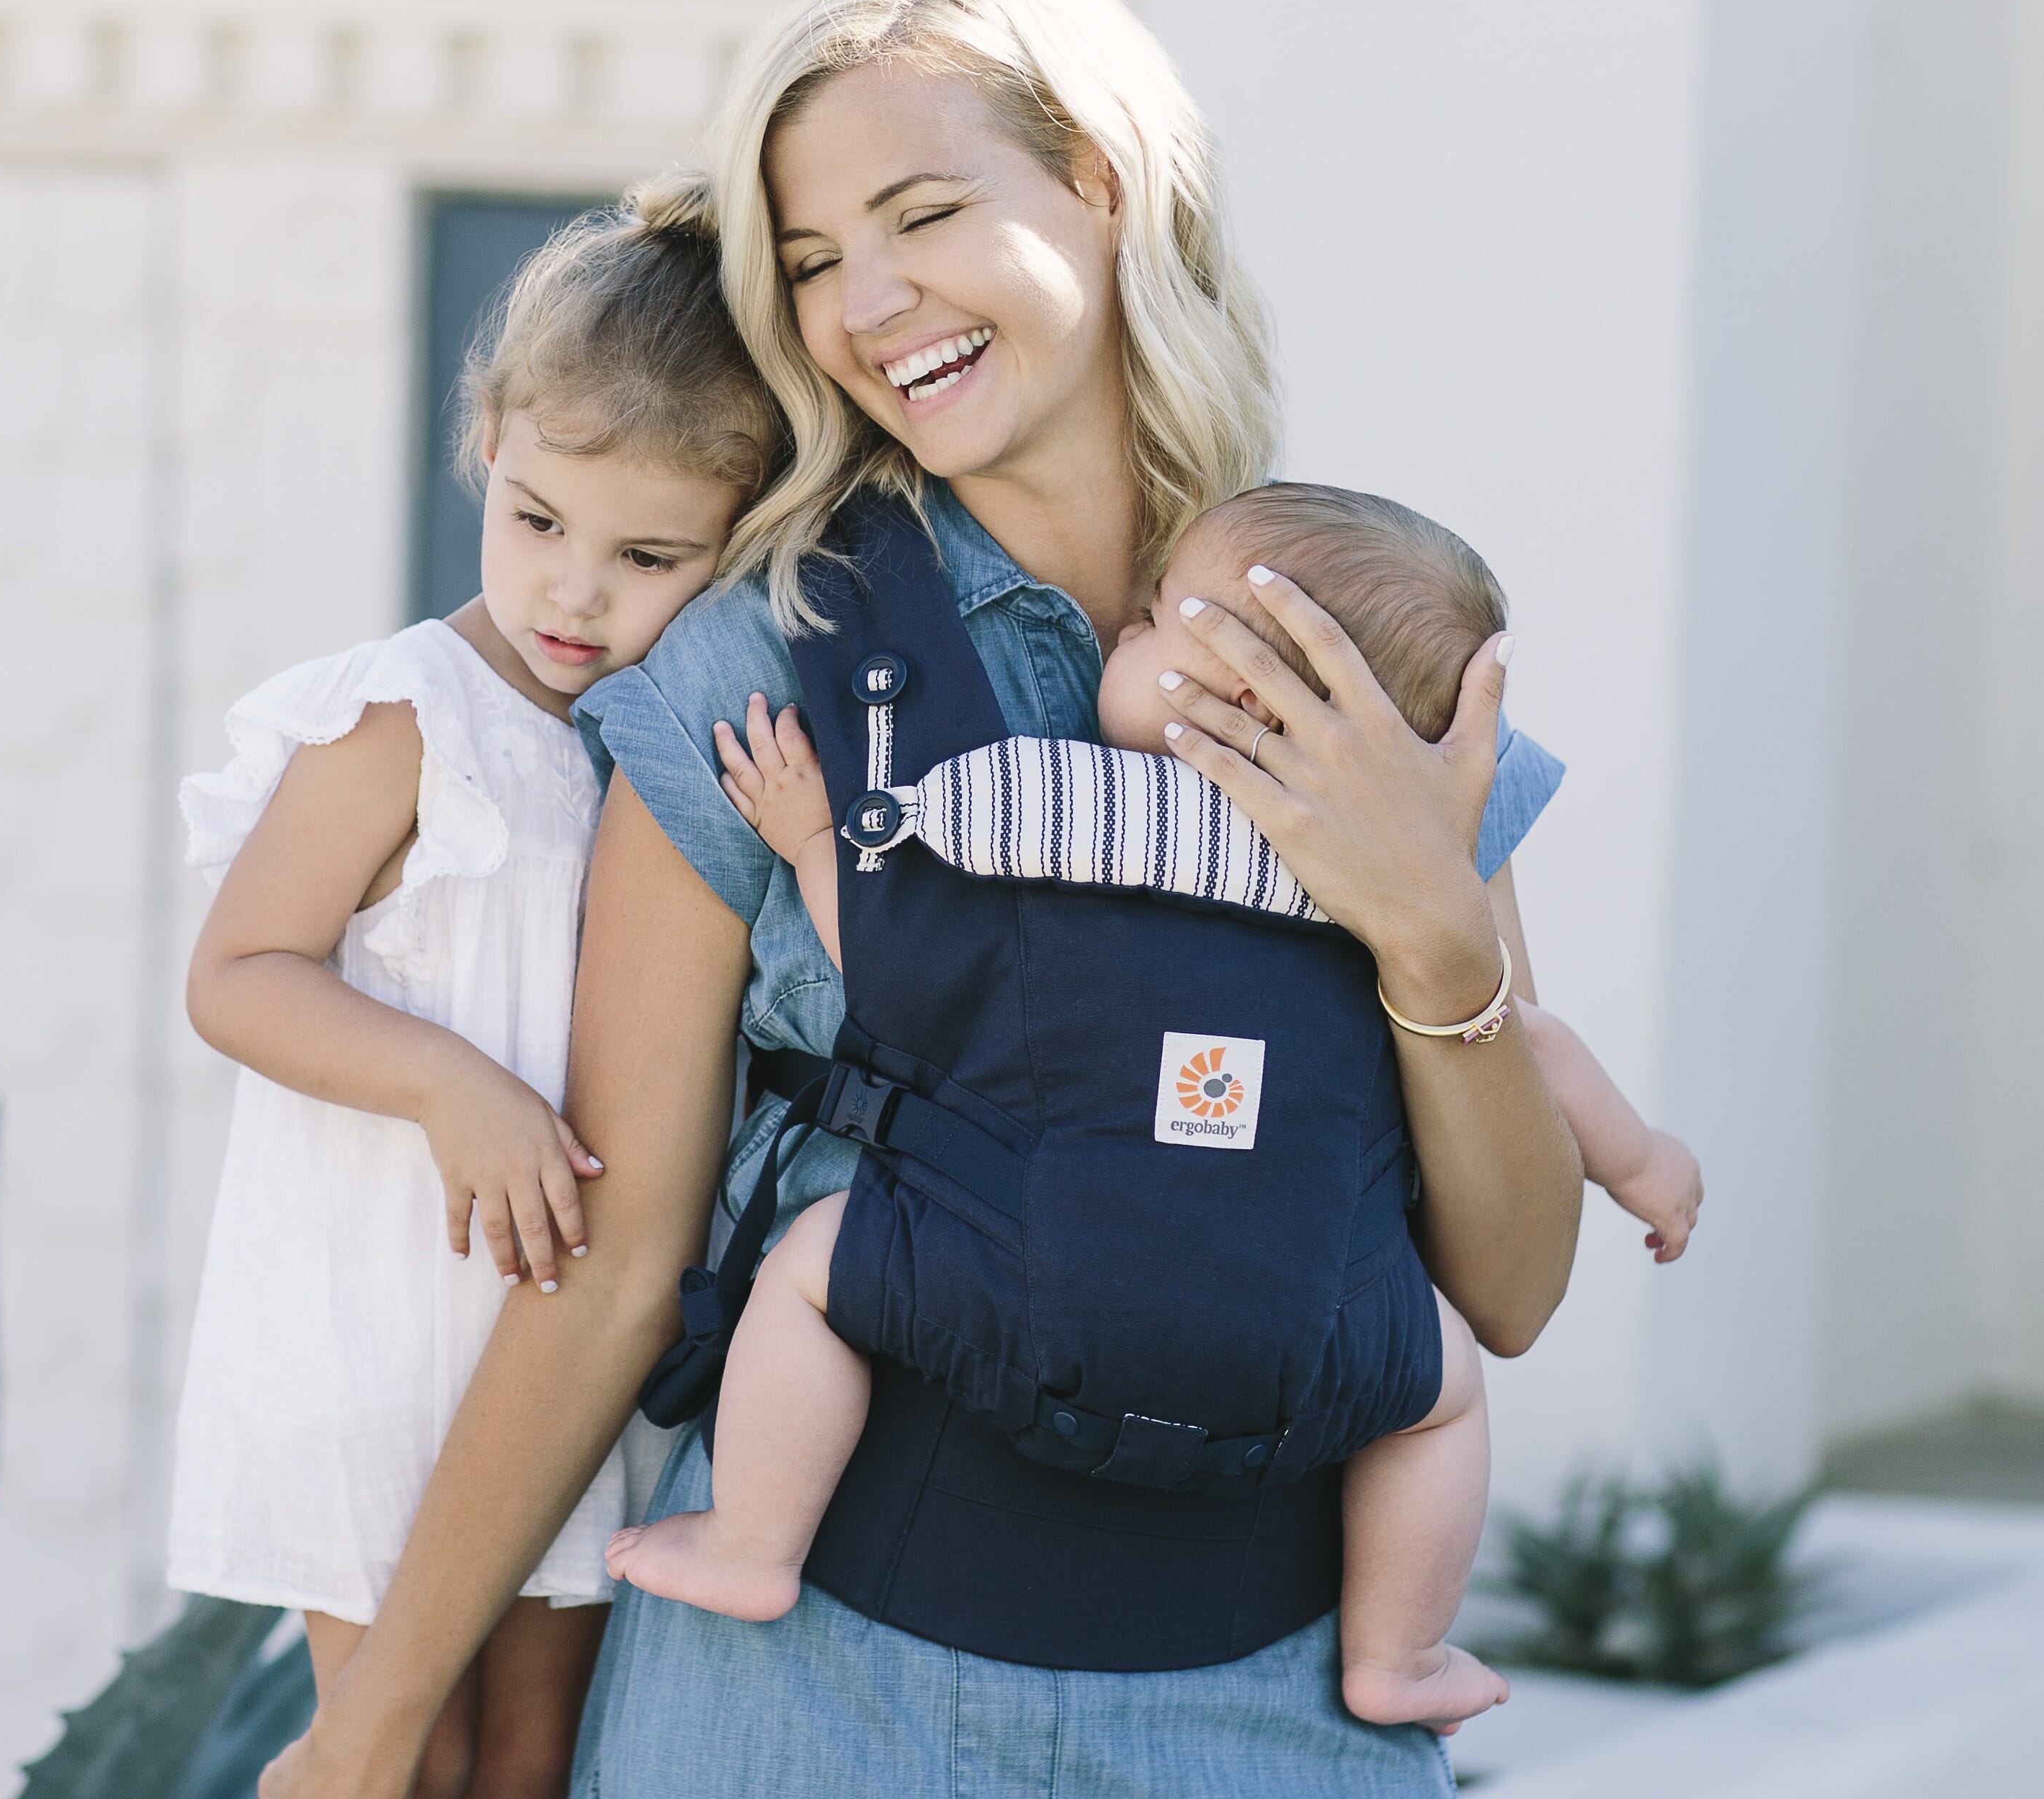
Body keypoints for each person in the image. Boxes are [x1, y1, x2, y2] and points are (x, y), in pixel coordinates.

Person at [228, 0, 1592, 1799]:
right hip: (815, 1742)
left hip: (1274, 1769)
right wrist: (373, 1734)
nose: (871, 304)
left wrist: (1435, 926)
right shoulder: (760, 664)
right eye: (812, 259)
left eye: (925, 215)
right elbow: (612, 1256)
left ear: (1103, 183)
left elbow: (1515, 1283)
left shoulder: (1358, 628)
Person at [606, 478, 1702, 1732]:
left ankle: (753, 1539)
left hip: (1020, 1278)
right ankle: (1399, 1652)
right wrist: (1645, 1162)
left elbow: (911, 972)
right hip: (1305, 1324)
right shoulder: (1382, 884)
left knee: (812, 1273)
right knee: (1441, 1392)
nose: (1123, 632)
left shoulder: (1054, 806)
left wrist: (814, 841)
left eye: (1156, 627)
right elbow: (1538, 1052)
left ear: (1241, 702)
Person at [170, 191, 778, 1799]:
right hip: (377, 1332)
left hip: (564, 1366)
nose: (574, 591)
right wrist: (449, 1085)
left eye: (648, 555)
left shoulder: (663, 754)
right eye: (534, 519)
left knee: (534, 1770)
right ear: (481, 458)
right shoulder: (400, 715)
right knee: (396, 1756)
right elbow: (241, 976)